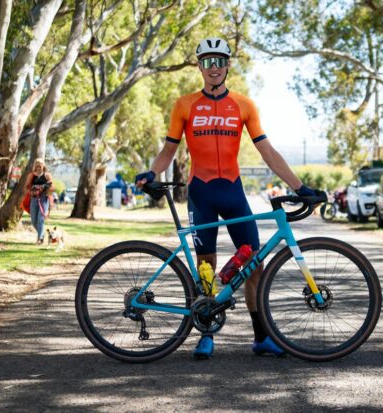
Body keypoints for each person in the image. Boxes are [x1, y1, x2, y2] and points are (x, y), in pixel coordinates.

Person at [135, 37, 318, 360]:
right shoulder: (184, 104)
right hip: (201, 193)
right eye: (207, 61)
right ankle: (205, 334)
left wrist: (300, 186)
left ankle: (261, 338)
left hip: (232, 191)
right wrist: (151, 173)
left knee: (254, 264)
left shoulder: (244, 105)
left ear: (228, 64)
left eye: (219, 60)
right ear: (199, 67)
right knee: (206, 266)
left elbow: (268, 152)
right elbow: (168, 151)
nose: (214, 67)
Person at [25, 158, 54, 244]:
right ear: (35, 166)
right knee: (34, 221)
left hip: (43, 199)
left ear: (43, 166)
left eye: (40, 165)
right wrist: (31, 192)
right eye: (37, 165)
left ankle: (40, 238)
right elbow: (26, 186)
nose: (38, 167)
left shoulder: (47, 175)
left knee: (41, 219)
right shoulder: (32, 175)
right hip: (33, 199)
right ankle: (42, 233)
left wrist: (43, 188)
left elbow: (51, 186)